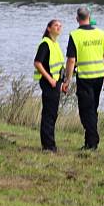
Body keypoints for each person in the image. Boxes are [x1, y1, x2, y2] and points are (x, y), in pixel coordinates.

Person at [62, 7, 104, 150]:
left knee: (85, 111)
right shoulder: (101, 34)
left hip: (84, 77)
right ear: (89, 17)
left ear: (77, 18)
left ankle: (93, 141)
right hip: (99, 77)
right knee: (92, 109)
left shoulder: (75, 35)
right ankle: (89, 142)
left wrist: (67, 80)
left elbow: (71, 61)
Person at [33, 19, 64, 152]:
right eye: (56, 25)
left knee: (53, 114)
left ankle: (50, 144)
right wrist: (50, 79)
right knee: (48, 114)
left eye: (60, 26)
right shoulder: (45, 44)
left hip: (56, 83)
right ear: (49, 28)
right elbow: (37, 63)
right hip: (48, 83)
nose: (59, 27)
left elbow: (59, 67)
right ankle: (48, 146)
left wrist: (61, 83)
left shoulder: (55, 44)